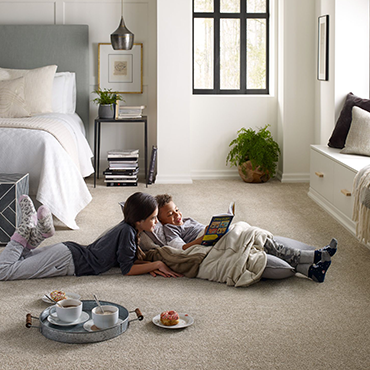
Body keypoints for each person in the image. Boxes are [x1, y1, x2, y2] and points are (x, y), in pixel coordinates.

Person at [153, 194, 338, 283]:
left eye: (176, 209)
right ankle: (313, 256)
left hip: (217, 236)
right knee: (256, 240)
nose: (176, 215)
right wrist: (202, 239)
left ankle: (312, 271)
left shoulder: (185, 220)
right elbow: (182, 250)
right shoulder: (169, 230)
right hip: (212, 244)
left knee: (258, 239)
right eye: (170, 215)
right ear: (161, 220)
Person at [0, 193, 182, 280]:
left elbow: (126, 261)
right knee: (4, 270)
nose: (156, 222)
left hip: (67, 253)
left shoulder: (127, 228)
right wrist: (157, 264)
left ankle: (37, 233)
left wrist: (147, 266)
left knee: (22, 259)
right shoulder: (127, 232)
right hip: (67, 261)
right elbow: (127, 269)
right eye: (152, 219)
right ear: (139, 220)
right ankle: (24, 230)